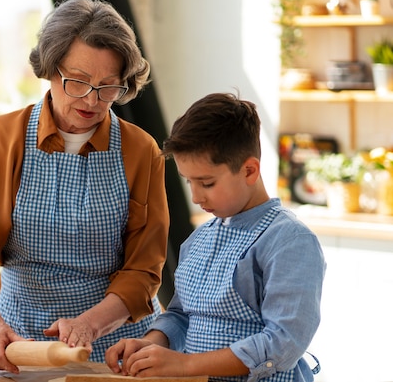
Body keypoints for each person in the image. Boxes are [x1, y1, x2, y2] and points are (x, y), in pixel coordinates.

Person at [0, 0, 169, 372]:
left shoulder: (141, 150)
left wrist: (88, 325)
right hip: (18, 344)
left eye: (107, 87)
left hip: (116, 350)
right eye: (77, 82)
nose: (91, 100)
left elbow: (143, 270)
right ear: (49, 69)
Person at [105, 92, 326, 382]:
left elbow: (282, 343)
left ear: (249, 170)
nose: (196, 197)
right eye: (189, 182)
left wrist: (185, 365)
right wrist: (151, 344)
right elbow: (181, 316)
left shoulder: (289, 241)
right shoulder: (199, 239)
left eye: (207, 183)